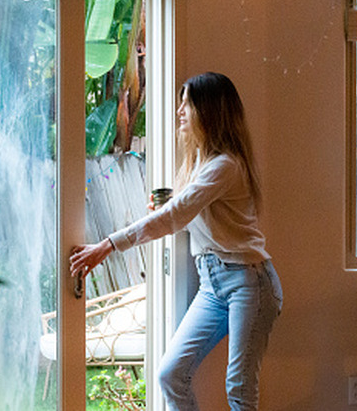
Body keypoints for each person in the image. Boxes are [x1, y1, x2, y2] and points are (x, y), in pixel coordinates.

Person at [69, 71, 283, 411]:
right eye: (181, 103)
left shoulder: (225, 166)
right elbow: (189, 216)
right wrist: (173, 207)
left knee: (240, 389)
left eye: (188, 104)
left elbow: (173, 219)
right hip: (213, 284)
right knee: (171, 375)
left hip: (248, 282)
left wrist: (106, 246)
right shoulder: (202, 163)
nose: (180, 111)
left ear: (210, 112)